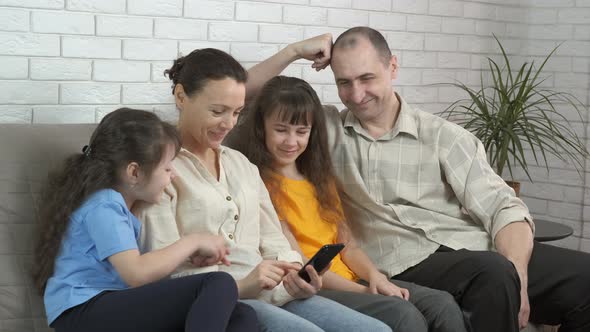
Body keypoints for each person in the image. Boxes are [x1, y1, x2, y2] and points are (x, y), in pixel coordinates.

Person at [225, 27, 590, 332]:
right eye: (344, 83)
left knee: (581, 278)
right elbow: (239, 97)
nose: (356, 94)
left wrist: (520, 273)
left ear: (393, 66)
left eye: (367, 78)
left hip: (471, 247)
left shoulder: (443, 136)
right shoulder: (324, 131)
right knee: (492, 272)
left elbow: (503, 206)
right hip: (403, 259)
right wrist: (294, 51)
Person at [133, 48, 391, 332]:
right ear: (181, 97)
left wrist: (296, 276)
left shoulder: (242, 165)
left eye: (236, 112)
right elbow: (163, 274)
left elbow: (275, 242)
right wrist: (244, 285)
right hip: (215, 304)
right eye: (217, 111)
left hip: (273, 292)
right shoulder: (160, 171)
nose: (228, 124)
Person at [235, 74, 467, 332]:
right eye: (281, 130)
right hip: (320, 287)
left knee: (442, 304)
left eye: (301, 132)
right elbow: (301, 265)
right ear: (262, 128)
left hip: (355, 279)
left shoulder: (319, 178)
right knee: (403, 314)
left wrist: (375, 277)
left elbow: (349, 246)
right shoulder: (260, 184)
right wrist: (367, 291)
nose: (292, 141)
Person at [31, 108, 258, 332]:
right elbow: (136, 273)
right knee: (218, 283)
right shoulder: (104, 206)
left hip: (108, 306)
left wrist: (186, 257)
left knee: (242, 314)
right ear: (134, 173)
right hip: (83, 311)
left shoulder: (119, 208)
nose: (174, 175)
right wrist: (193, 241)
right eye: (168, 168)